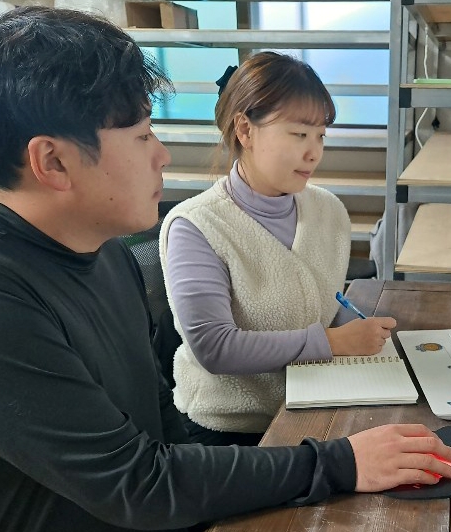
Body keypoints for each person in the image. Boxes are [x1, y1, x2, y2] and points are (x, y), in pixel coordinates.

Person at [0, 7, 451, 532]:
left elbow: (161, 428)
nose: (162, 155)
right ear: (53, 161)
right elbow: (139, 484)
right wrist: (341, 462)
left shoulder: (107, 256)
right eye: (142, 135)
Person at [160, 52, 397, 446]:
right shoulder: (196, 226)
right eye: (299, 134)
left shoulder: (328, 211)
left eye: (320, 136)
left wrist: (357, 332)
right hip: (231, 431)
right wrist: (335, 342)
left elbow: (321, 304)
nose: (314, 152)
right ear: (245, 130)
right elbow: (214, 347)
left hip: (315, 403)